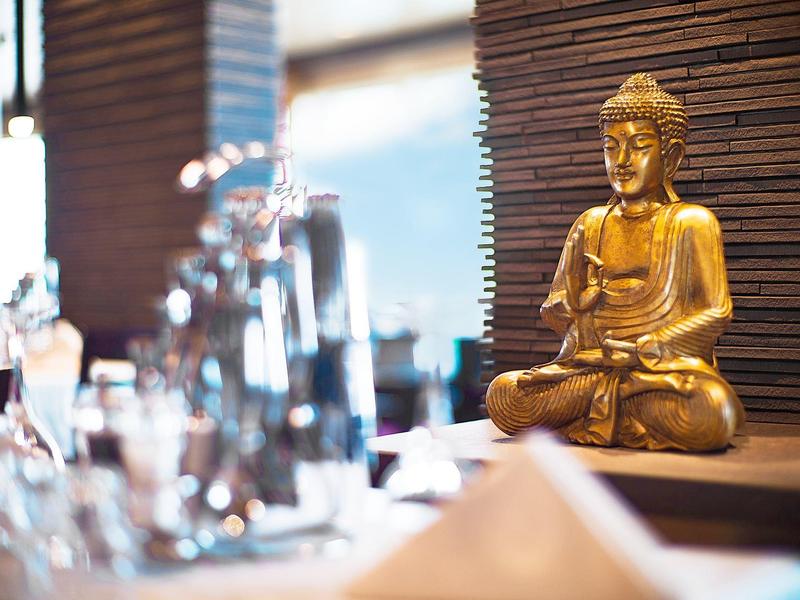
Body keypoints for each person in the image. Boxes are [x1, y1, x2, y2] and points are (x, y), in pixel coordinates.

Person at [485, 73, 744, 451]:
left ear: (671, 157)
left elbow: (716, 312)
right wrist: (575, 304)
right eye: (611, 147)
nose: (622, 161)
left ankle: (606, 407)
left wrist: (645, 348)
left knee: (711, 411)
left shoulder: (692, 222)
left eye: (639, 146)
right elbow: (554, 312)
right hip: (589, 368)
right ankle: (615, 404)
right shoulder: (591, 224)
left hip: (659, 373)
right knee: (506, 395)